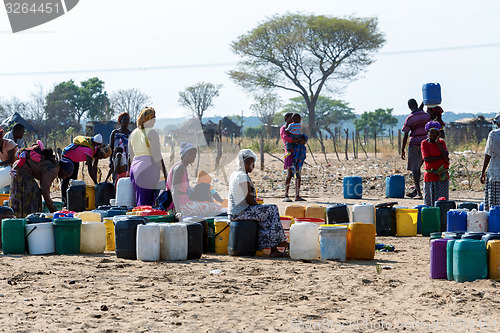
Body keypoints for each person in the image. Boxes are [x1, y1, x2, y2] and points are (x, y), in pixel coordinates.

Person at [228, 149, 288, 257]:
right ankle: (277, 243)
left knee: (267, 213)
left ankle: (274, 246)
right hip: (240, 212)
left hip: (236, 212)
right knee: (272, 209)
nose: (252, 166)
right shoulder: (242, 176)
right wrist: (260, 207)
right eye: (249, 163)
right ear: (241, 163)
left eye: (252, 163)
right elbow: (250, 201)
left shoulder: (235, 174)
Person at [9, 146, 72, 217]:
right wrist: (53, 209)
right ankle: (25, 218)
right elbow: (45, 189)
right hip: (21, 170)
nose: (64, 177)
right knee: (33, 195)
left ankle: (20, 216)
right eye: (66, 174)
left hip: (19, 168)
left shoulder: (54, 165)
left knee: (25, 194)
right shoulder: (54, 170)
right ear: (63, 169)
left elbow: (43, 187)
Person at [166, 142, 222, 217]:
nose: (194, 156)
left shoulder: (182, 167)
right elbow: (174, 190)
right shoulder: (180, 168)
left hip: (182, 203)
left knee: (209, 204)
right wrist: (178, 212)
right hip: (178, 207)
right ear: (184, 155)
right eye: (191, 154)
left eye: (194, 154)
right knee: (217, 207)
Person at [129, 107, 167, 206]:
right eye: (154, 117)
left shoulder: (133, 133)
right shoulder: (152, 132)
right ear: (150, 119)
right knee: (146, 206)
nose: (155, 120)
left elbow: (131, 155)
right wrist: (166, 173)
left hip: (134, 169)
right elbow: (157, 155)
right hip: (147, 169)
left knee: (140, 202)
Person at [60, 134, 111, 200]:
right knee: (66, 179)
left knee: (73, 180)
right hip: (67, 157)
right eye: (101, 157)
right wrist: (95, 183)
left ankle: (70, 200)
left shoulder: (96, 152)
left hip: (75, 159)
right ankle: (63, 200)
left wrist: (96, 183)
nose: (100, 158)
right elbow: (90, 168)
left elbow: (94, 167)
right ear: (100, 152)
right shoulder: (90, 150)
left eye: (102, 158)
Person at [401, 98, 431, 199]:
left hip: (414, 144)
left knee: (415, 168)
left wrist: (402, 150)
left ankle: (419, 193)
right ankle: (416, 191)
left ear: (409, 107)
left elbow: (406, 134)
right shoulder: (426, 116)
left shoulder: (410, 118)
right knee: (418, 167)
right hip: (426, 144)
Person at [421, 121, 450, 207]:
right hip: (430, 176)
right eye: (432, 132)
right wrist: (441, 158)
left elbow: (445, 154)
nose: (434, 134)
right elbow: (427, 159)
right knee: (429, 201)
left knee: (442, 201)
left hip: (442, 176)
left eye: (436, 133)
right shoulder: (424, 143)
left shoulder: (441, 143)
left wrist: (437, 143)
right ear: (427, 132)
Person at [280, 113, 307, 202]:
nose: (292, 120)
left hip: (297, 153)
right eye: (291, 118)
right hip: (289, 154)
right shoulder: (283, 129)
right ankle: (286, 195)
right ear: (286, 119)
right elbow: (286, 138)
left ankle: (297, 195)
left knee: (298, 174)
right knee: (289, 175)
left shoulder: (295, 127)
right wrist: (298, 140)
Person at [480, 113, 500, 211]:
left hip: (495, 173)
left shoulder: (493, 134)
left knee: (494, 206)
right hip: (495, 172)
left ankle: (495, 223)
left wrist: (483, 171)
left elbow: (488, 154)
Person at [107, 112, 131, 184]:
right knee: (116, 177)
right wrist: (110, 160)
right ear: (120, 121)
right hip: (116, 159)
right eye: (124, 120)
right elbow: (111, 147)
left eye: (128, 120)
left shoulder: (131, 134)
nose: (126, 122)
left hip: (127, 160)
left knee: (126, 180)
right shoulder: (115, 133)